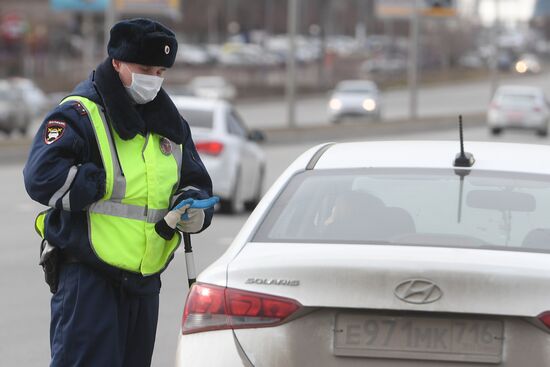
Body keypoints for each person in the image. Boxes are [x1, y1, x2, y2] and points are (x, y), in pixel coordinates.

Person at [23, 18, 215, 367]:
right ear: (117, 62)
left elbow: (195, 179)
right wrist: (94, 185)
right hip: (89, 277)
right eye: (144, 68)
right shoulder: (80, 113)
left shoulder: (170, 124)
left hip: (144, 282)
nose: (153, 80)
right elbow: (40, 176)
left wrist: (191, 206)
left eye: (160, 72)